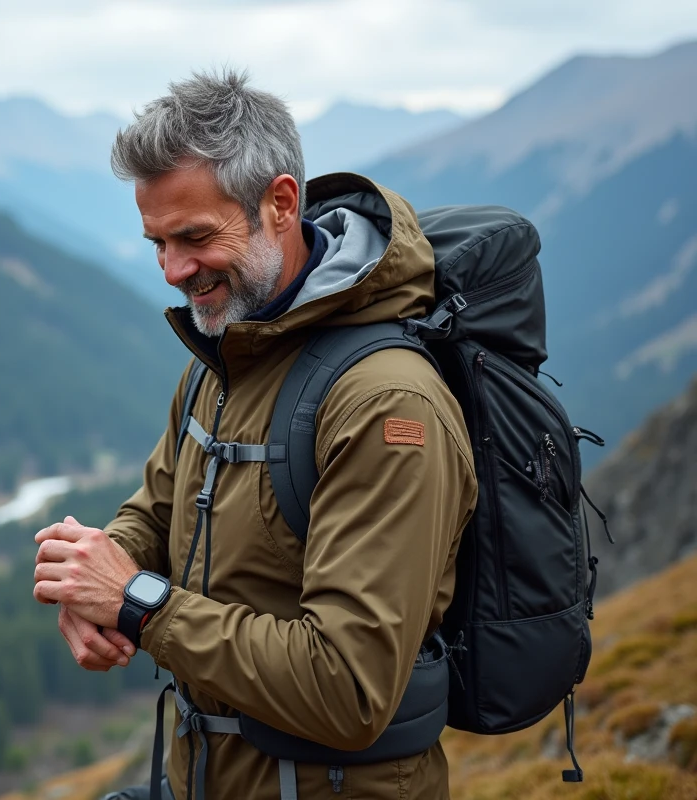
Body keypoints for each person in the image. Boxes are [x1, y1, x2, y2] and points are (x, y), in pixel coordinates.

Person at [32, 69, 477, 800]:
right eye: (157, 242)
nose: (175, 271)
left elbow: (349, 686)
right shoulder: (232, 348)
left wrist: (137, 602)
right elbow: (160, 506)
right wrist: (96, 579)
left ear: (279, 203)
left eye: (196, 237)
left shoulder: (387, 406)